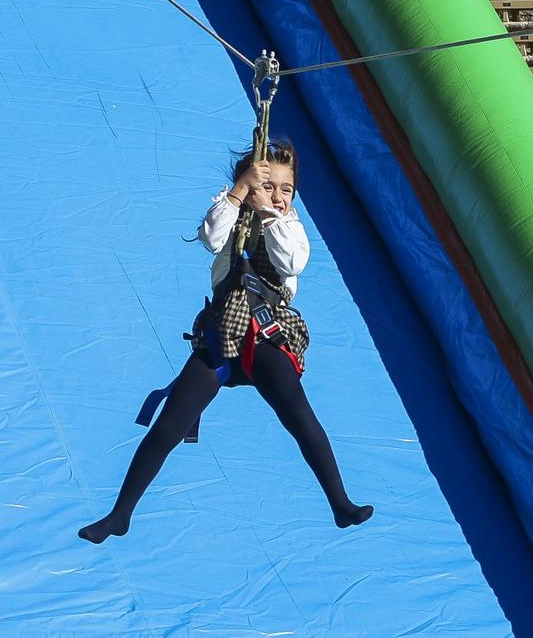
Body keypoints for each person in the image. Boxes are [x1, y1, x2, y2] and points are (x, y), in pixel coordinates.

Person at [80, 143, 373, 544]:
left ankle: (340, 503)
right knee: (171, 421)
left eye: (285, 189)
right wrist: (239, 193)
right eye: (268, 187)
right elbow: (211, 239)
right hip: (222, 332)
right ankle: (120, 515)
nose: (277, 196)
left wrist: (269, 216)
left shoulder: (290, 226)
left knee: (297, 411)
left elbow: (292, 263)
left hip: (266, 334)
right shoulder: (230, 210)